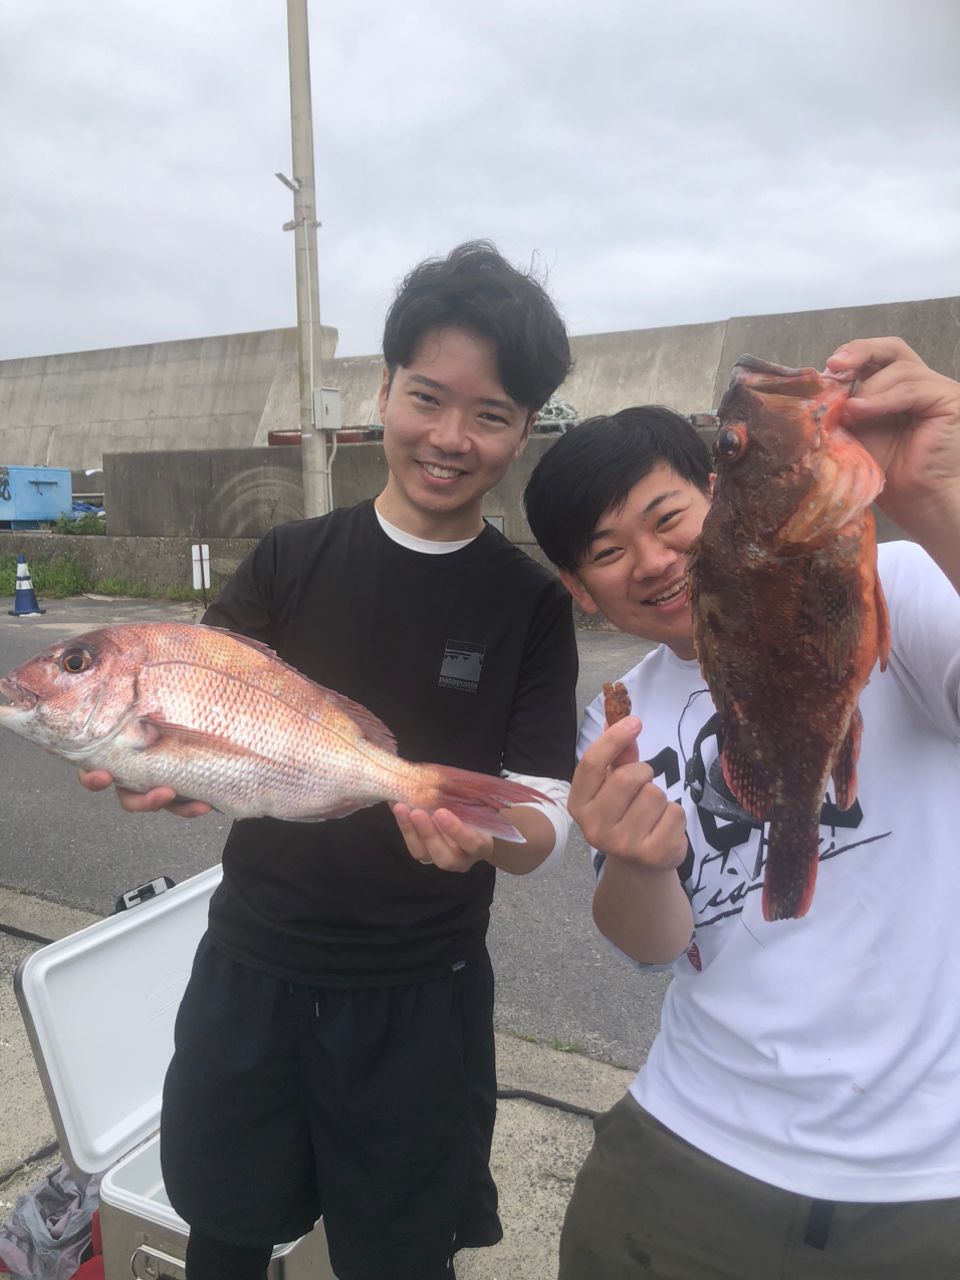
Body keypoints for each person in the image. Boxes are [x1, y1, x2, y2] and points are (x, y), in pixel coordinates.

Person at [80, 241, 579, 1280]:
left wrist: (482, 839)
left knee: (399, 1258)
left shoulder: (530, 603)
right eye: (428, 397)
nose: (450, 438)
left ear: (525, 429)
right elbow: (191, 723)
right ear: (383, 389)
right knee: (221, 1234)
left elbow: (536, 823)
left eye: (490, 414)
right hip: (252, 967)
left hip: (420, 998)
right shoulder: (287, 558)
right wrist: (159, 775)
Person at [523, 338, 960, 1279]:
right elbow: (651, 944)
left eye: (667, 514)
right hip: (689, 1144)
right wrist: (636, 862)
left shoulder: (905, 584)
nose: (651, 559)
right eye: (606, 552)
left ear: (719, 497)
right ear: (578, 589)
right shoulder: (619, 710)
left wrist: (937, 501)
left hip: (931, 1180)